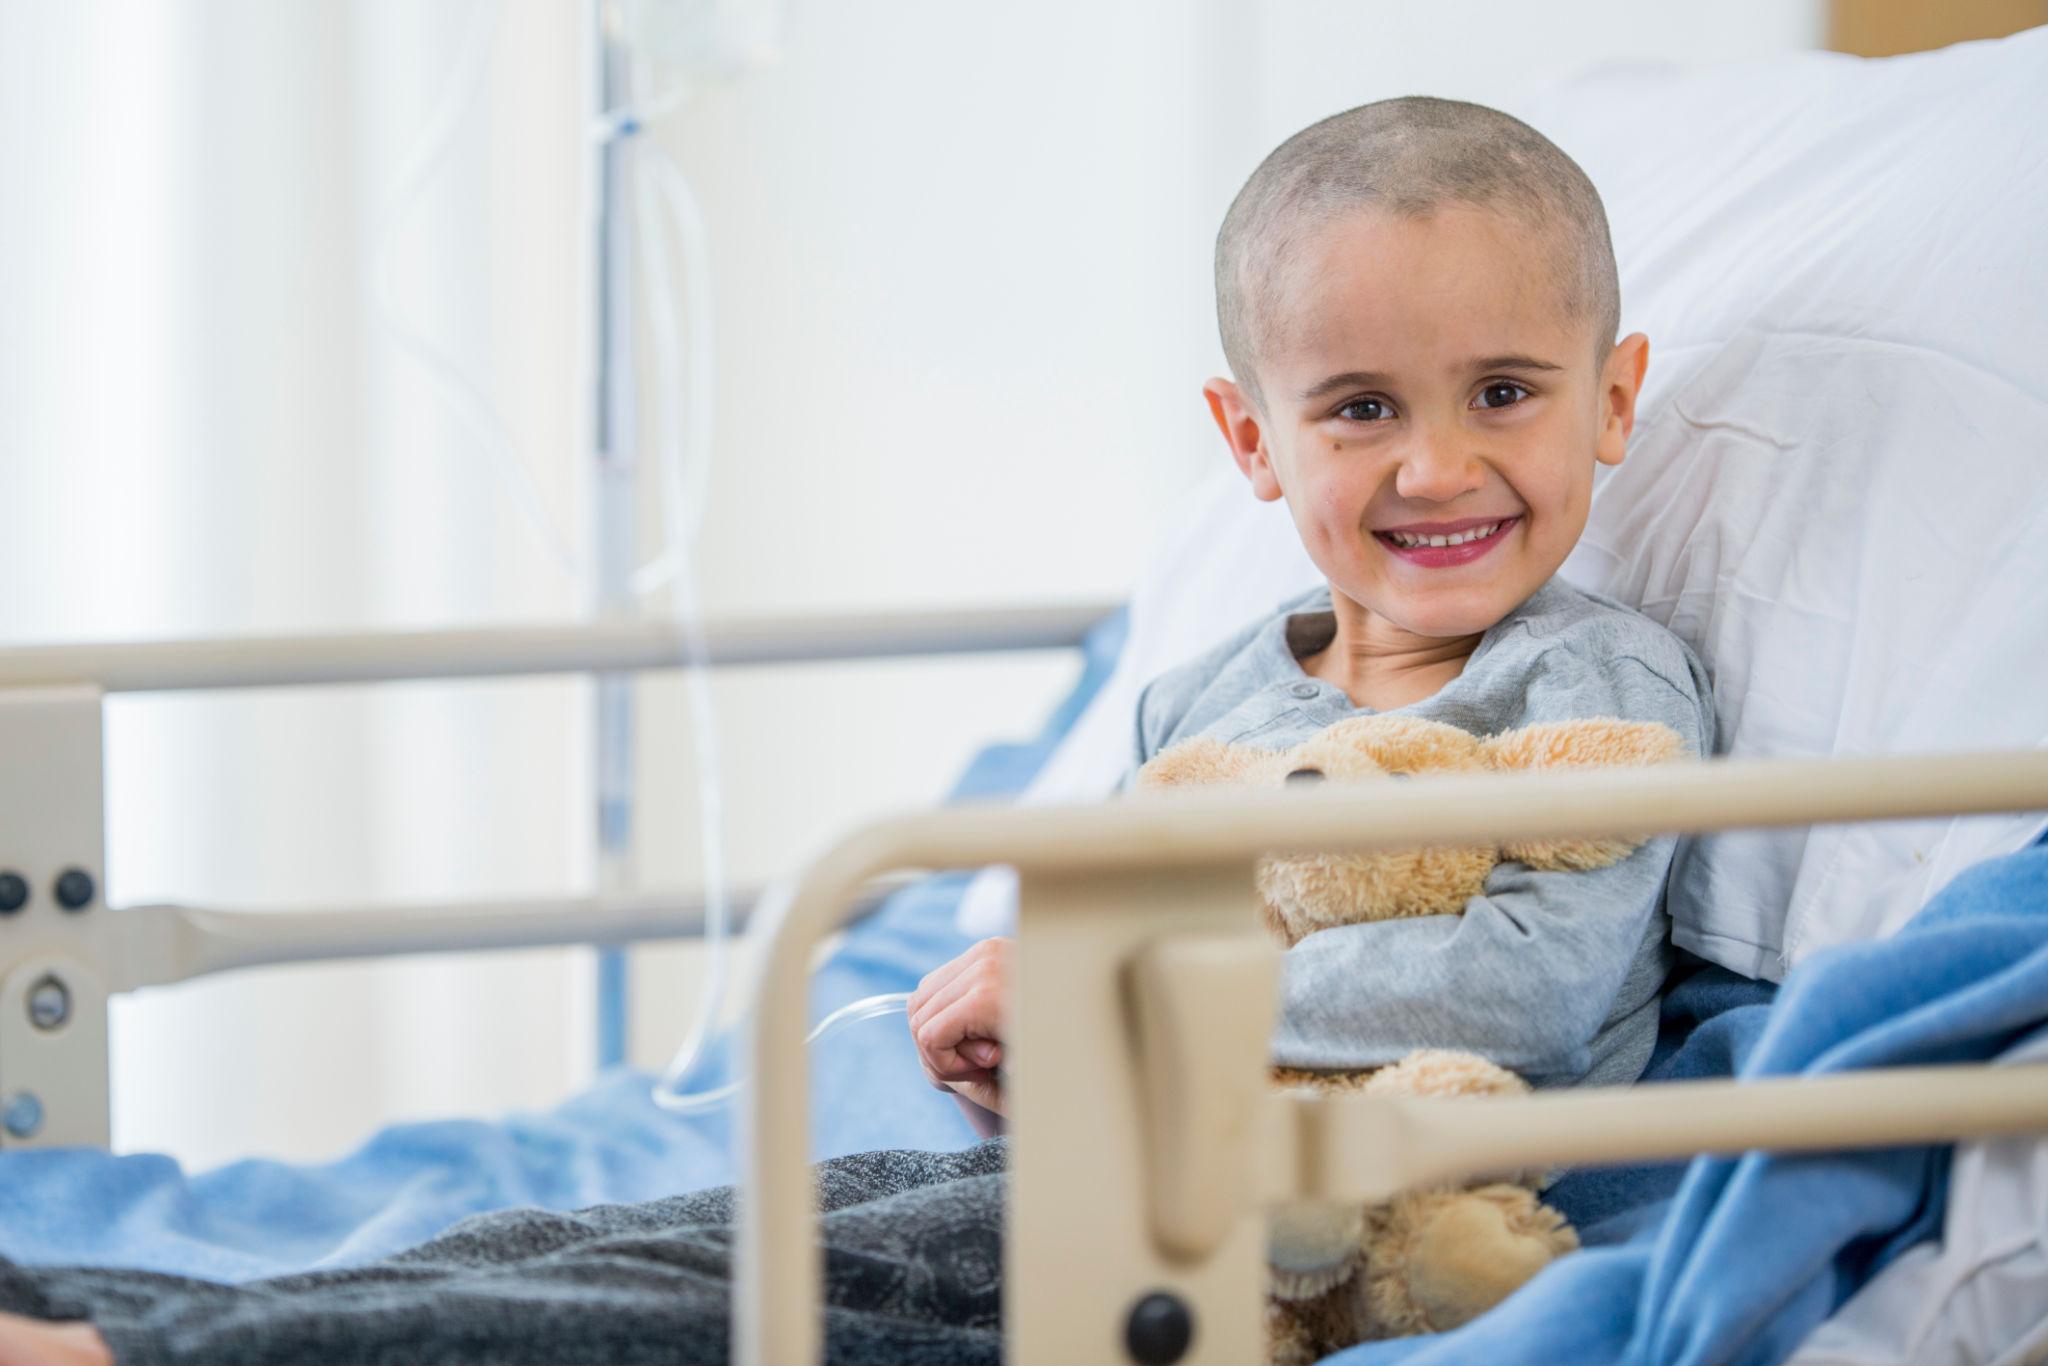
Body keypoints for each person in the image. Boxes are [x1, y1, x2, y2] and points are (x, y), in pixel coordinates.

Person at [0, 94, 1711, 1365]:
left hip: (1297, 1228)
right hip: (1114, 1166)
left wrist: (1116, 1006)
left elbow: (1536, 989)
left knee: (728, 1309)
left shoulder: (1593, 683)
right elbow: (1128, 968)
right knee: (629, 1229)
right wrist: (1039, 1049)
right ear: (1252, 442)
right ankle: (95, 1303)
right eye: (1359, 407)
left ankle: (134, 1352)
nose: (1435, 465)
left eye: (1503, 392)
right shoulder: (1201, 701)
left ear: (1613, 398)